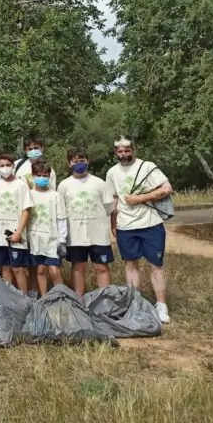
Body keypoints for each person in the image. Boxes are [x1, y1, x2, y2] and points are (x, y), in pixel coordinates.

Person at [106, 136, 173, 323]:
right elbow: (114, 199)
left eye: (127, 150)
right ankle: (135, 304)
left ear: (134, 149)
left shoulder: (147, 166)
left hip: (151, 224)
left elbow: (167, 188)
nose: (124, 154)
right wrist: (113, 223)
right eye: (120, 151)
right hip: (125, 226)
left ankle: (161, 306)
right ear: (115, 153)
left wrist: (141, 198)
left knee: (156, 265)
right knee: (130, 264)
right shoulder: (112, 172)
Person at [58, 146, 115, 297]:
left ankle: (104, 299)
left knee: (101, 267)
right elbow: (61, 211)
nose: (79, 163)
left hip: (98, 235)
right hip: (75, 236)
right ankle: (79, 299)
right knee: (78, 267)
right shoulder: (63, 185)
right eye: (75, 161)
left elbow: (109, 208)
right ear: (69, 163)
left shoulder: (99, 183)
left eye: (82, 160)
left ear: (88, 161)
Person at [0, 153, 33, 294]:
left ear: (13, 166)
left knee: (17, 268)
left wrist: (19, 232)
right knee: (5, 268)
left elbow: (26, 210)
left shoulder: (21, 185)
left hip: (16, 233)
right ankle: (9, 299)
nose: (5, 168)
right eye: (2, 165)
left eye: (8, 165)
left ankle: (24, 299)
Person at [28, 160, 67, 296]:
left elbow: (61, 219)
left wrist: (62, 240)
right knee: (40, 270)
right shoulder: (28, 195)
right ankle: (44, 298)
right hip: (35, 239)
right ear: (33, 176)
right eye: (39, 175)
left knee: (54, 270)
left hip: (52, 239)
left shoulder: (56, 196)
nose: (42, 178)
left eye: (45, 175)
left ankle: (62, 297)